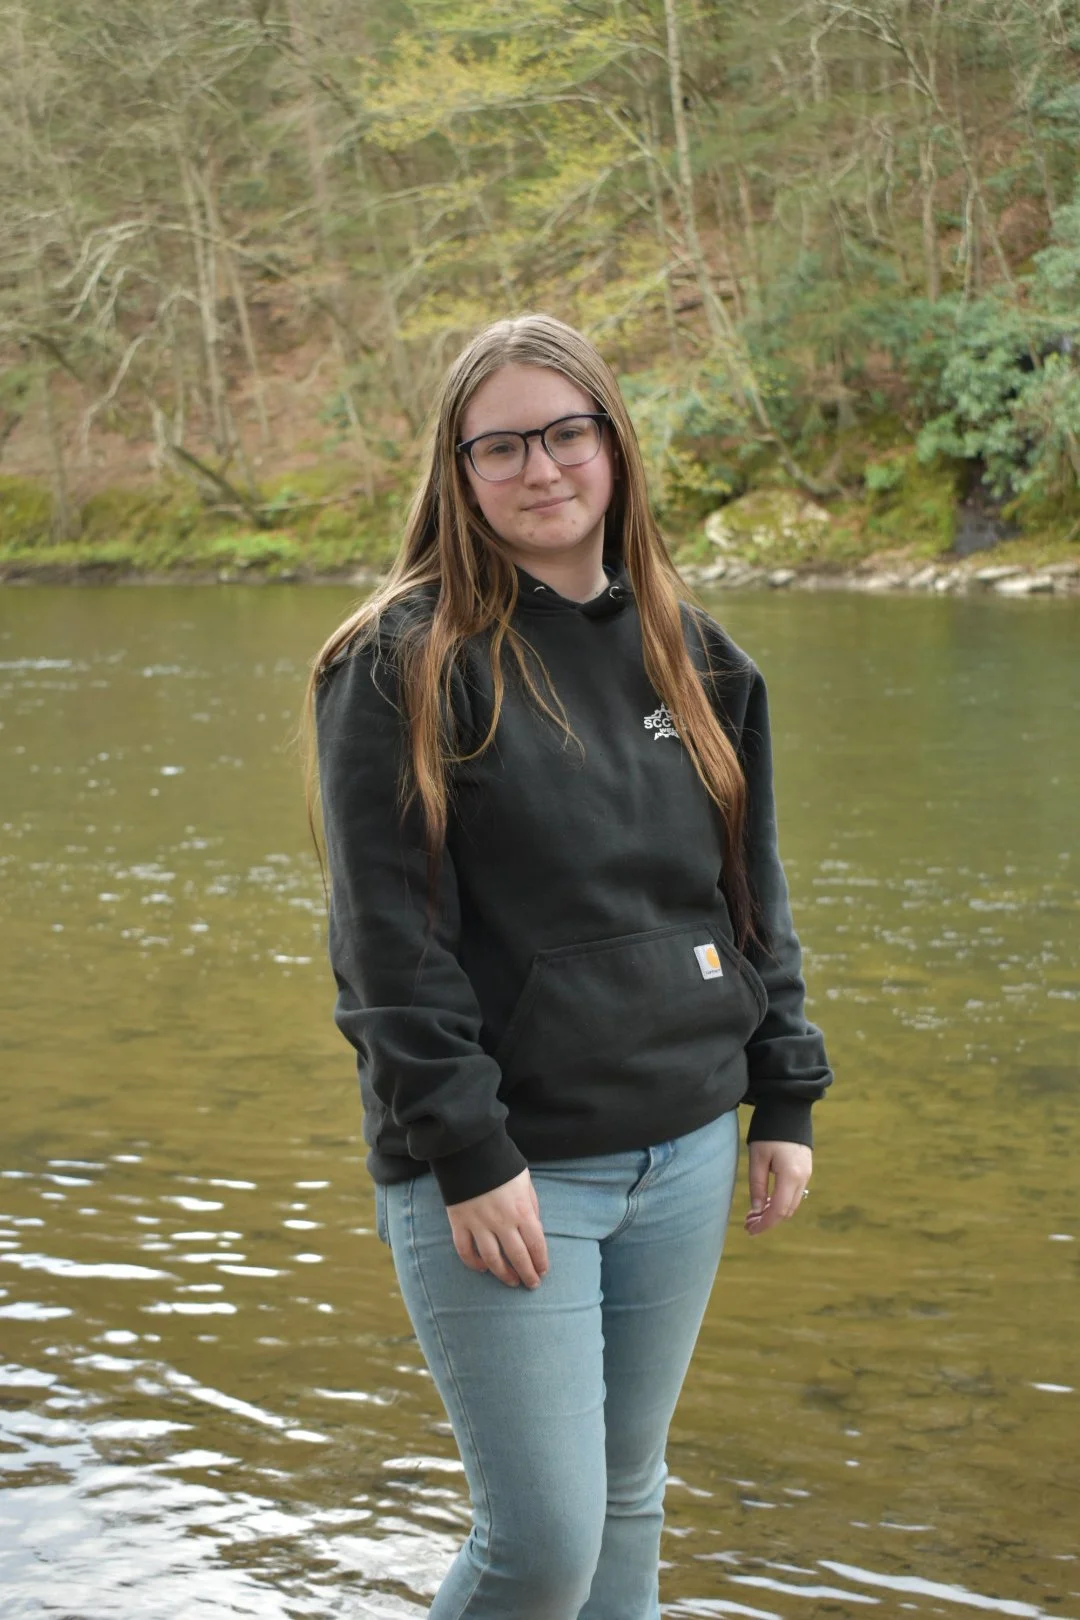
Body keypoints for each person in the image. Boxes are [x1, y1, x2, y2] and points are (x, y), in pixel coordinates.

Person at [306, 313, 833, 1619]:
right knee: (539, 1545)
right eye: (501, 447)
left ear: (613, 447)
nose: (539, 468)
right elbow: (386, 944)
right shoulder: (400, 661)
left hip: (686, 1145)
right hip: (507, 1169)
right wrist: (467, 1152)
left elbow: (749, 893)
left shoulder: (702, 659)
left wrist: (788, 1093)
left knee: (627, 1502)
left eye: (564, 433)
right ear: (458, 471)